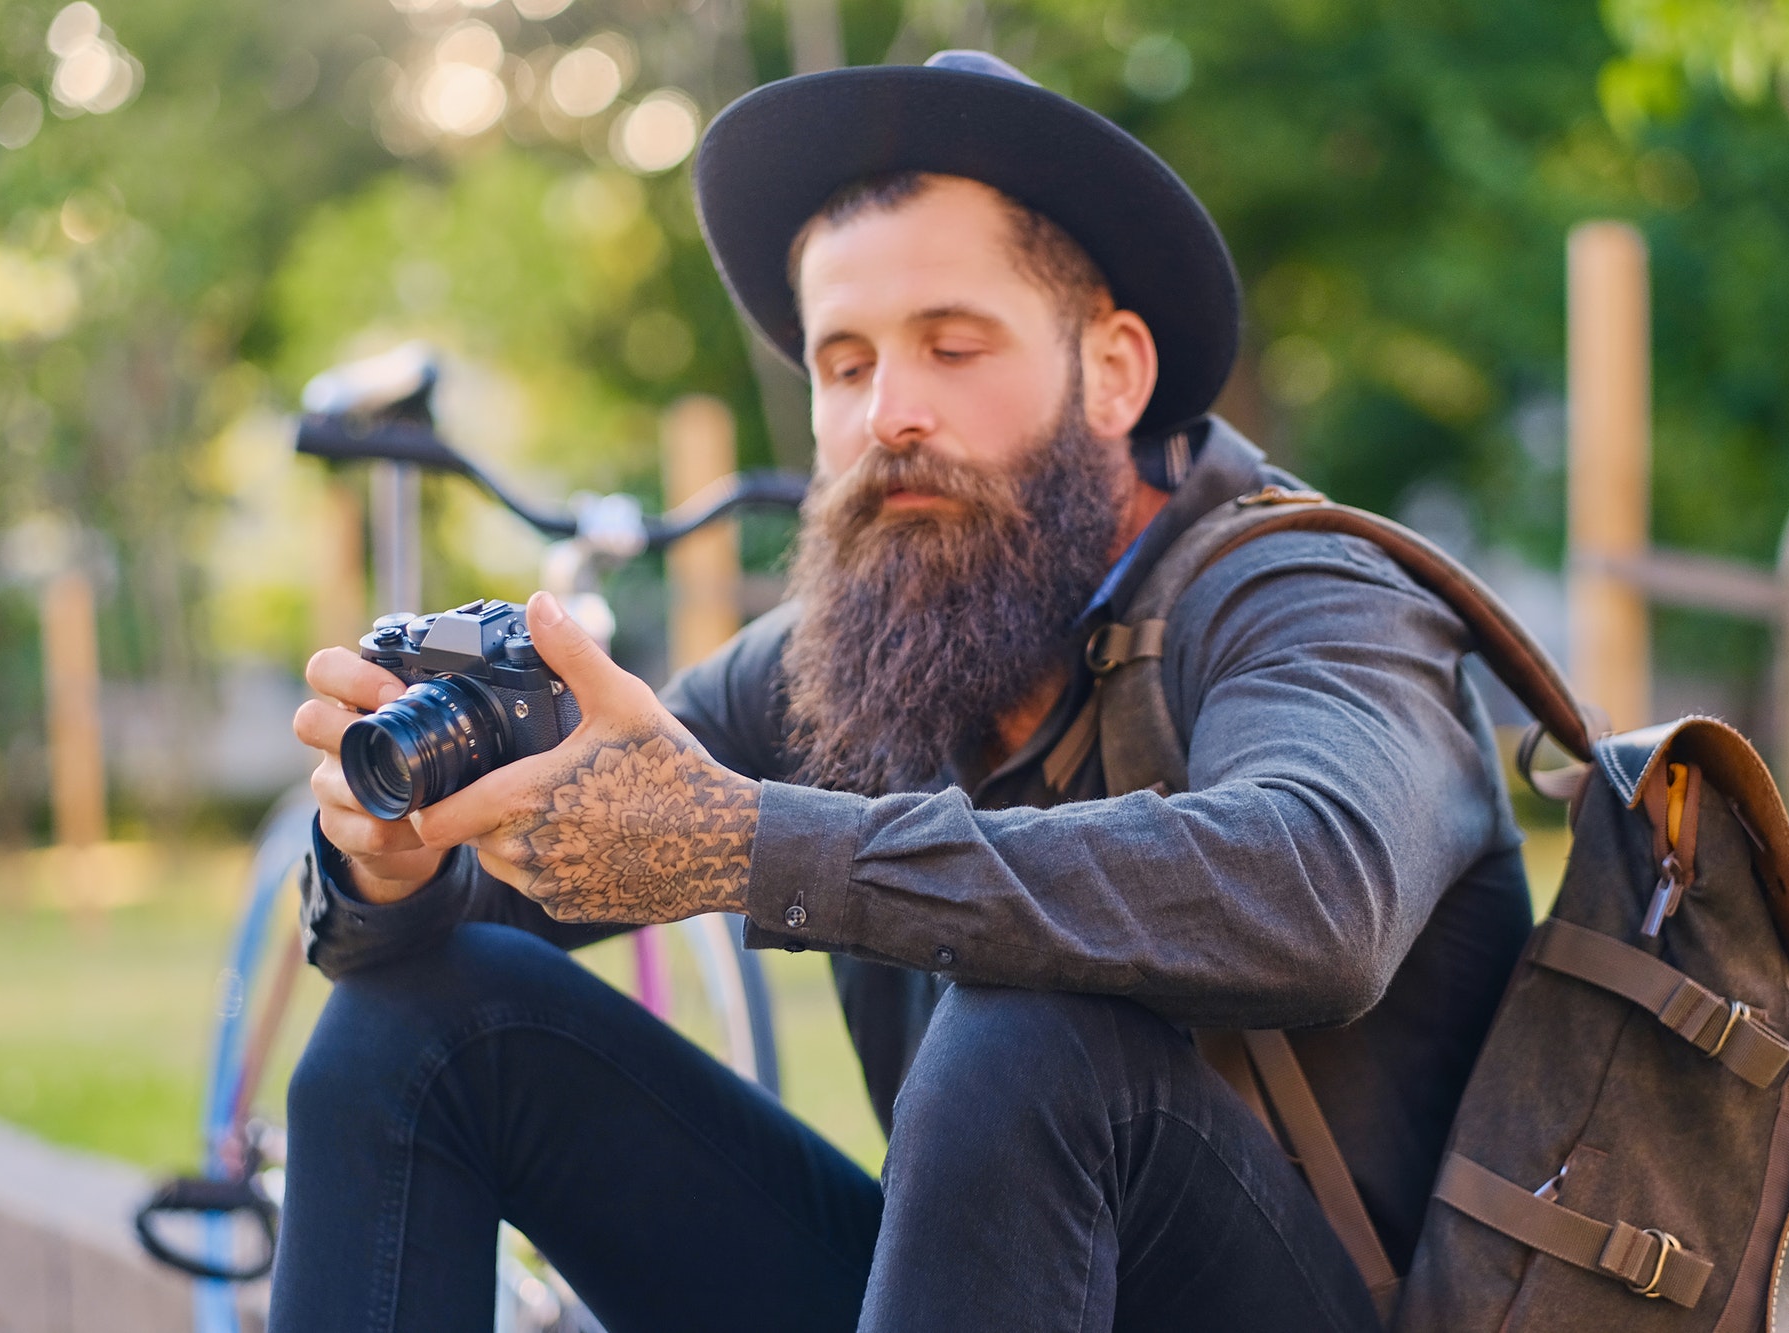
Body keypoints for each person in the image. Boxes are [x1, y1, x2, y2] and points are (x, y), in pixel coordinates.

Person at [271, 50, 1530, 1333]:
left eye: (951, 345)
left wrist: (755, 846)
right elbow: (488, 899)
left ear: (1112, 371)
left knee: (1028, 1037)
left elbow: (1315, 891)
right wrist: (395, 859)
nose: (890, 413)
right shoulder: (851, 653)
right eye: (846, 363)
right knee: (411, 1032)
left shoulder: (1308, 592)